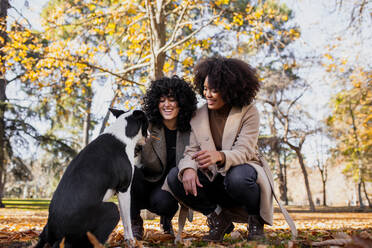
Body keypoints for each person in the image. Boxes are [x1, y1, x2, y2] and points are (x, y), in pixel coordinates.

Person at [166, 57, 275, 242]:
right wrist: (189, 168)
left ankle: (255, 220)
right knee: (174, 177)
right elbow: (191, 152)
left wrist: (220, 156)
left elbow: (245, 151)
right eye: (205, 88)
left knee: (238, 177)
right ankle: (218, 219)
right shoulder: (198, 115)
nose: (207, 94)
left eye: (214, 90)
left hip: (244, 174)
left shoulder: (249, 111)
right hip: (214, 178)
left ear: (230, 89)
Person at [130, 76, 197, 240]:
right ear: (156, 103)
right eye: (161, 100)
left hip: (169, 186)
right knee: (131, 172)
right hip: (145, 180)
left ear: (181, 102)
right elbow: (131, 152)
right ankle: (134, 221)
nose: (166, 104)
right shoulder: (146, 125)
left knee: (165, 203)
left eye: (172, 99)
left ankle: (166, 219)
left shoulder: (191, 130)